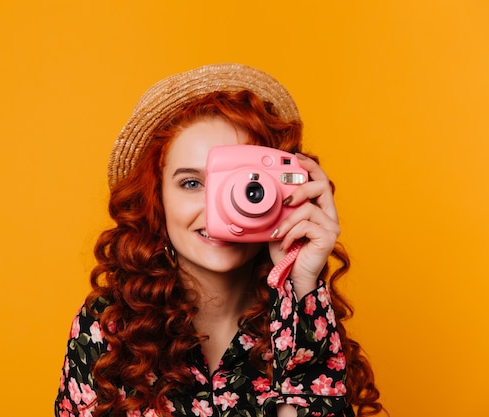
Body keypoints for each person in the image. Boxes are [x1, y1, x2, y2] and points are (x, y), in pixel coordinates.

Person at [55, 64, 384, 417]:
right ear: (157, 200)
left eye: (244, 186)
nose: (218, 209)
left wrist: (301, 285)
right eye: (192, 183)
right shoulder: (108, 328)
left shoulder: (305, 319)